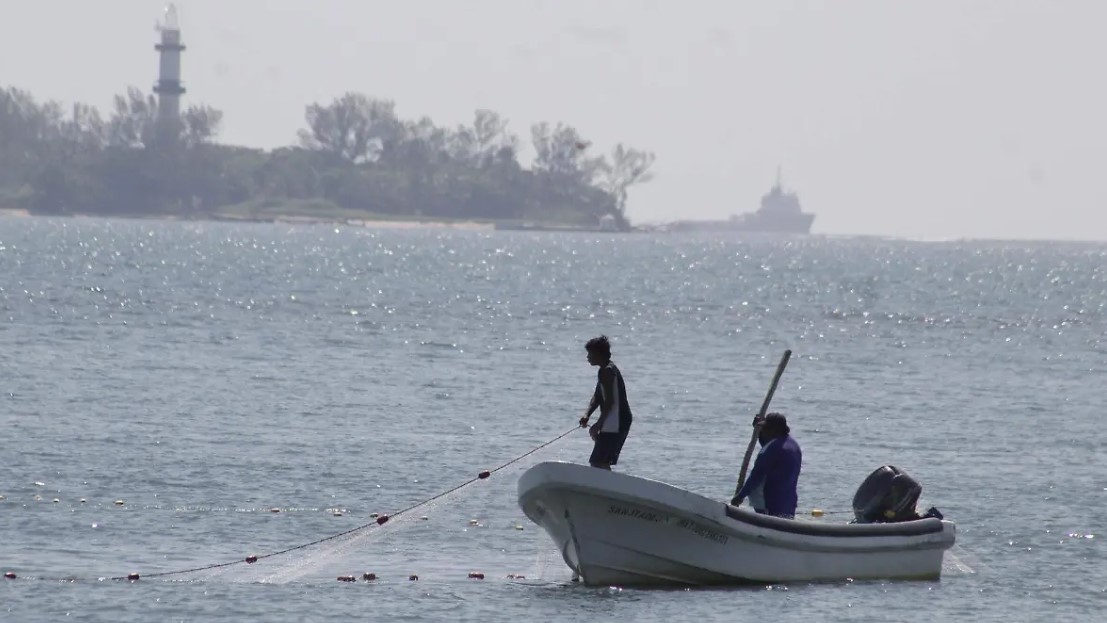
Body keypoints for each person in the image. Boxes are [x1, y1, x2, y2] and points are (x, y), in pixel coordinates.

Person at [731, 412, 802, 518]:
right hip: (787, 502)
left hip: (769, 501)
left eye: (765, 428)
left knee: (770, 520)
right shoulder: (792, 444)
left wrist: (740, 496)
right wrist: (759, 432)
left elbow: (757, 476)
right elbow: (768, 448)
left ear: (774, 430)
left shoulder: (773, 449)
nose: (763, 431)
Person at [577, 335, 633, 470]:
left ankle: (607, 489)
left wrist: (598, 425)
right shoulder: (603, 370)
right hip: (613, 420)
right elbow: (597, 396)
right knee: (600, 461)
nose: (588, 357)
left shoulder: (607, 371)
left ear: (599, 354)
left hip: (618, 421)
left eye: (590, 354)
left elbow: (610, 402)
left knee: (598, 462)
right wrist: (587, 414)